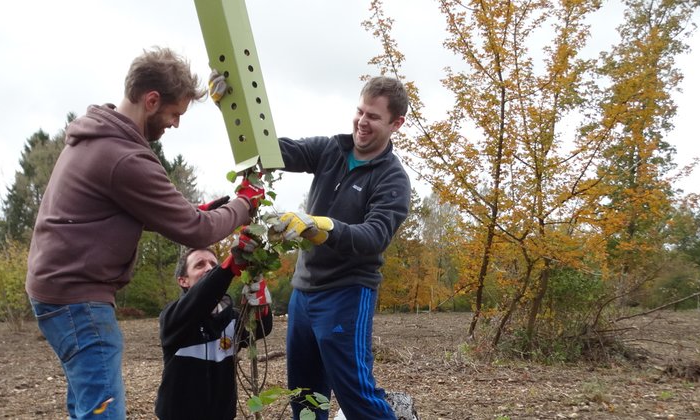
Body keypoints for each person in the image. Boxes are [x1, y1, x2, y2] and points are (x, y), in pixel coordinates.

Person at [25, 47, 264, 419]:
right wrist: (246, 203)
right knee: (103, 412)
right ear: (151, 100)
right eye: (174, 113)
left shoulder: (99, 137)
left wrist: (189, 211)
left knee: (88, 407)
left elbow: (117, 210)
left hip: (59, 292)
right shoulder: (124, 156)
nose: (175, 124)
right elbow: (196, 231)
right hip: (79, 300)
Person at [256, 76, 412, 419]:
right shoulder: (331, 150)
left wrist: (321, 226)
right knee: (305, 397)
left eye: (373, 116)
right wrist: (235, 110)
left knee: (356, 395)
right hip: (303, 294)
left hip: (347, 294)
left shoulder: (392, 179)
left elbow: (374, 236)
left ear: (396, 124)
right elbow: (275, 151)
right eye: (359, 111)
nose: (362, 121)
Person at [156, 234, 273, 419]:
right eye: (199, 265)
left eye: (213, 264)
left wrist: (261, 304)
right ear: (183, 280)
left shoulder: (232, 318)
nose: (209, 269)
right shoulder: (173, 317)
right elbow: (199, 299)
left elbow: (259, 330)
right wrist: (228, 267)